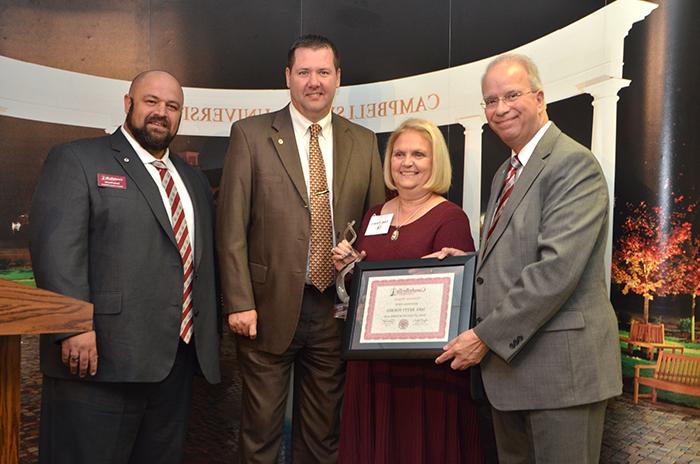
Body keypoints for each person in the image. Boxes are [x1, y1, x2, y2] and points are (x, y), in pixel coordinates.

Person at [433, 54, 622, 463]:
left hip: (561, 376)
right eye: (490, 100)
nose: (500, 109)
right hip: (512, 374)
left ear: (539, 98)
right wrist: (468, 262)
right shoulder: (507, 171)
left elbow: (555, 271)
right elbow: (515, 252)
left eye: (512, 95)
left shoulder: (573, 164)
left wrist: (483, 338)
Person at [30, 70, 221, 464]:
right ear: (127, 103)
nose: (161, 113)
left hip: (175, 365)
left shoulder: (193, 181)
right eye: (151, 101)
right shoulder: (78, 159)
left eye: (172, 106)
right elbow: (57, 249)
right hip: (99, 362)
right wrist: (74, 325)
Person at [216, 34, 385, 463]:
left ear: (338, 78)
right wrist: (238, 301)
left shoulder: (364, 142)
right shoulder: (250, 135)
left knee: (323, 438)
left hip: (336, 312)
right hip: (265, 310)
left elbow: (375, 226)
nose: (315, 82)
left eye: (324, 72)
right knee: (260, 438)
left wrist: (359, 260)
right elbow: (231, 224)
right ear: (288, 77)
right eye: (305, 72)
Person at [331, 118, 483, 464]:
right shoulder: (372, 216)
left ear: (436, 162)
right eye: (399, 154)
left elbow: (461, 300)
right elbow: (364, 290)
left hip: (423, 374)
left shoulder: (451, 218)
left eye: (419, 154)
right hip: (371, 368)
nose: (407, 162)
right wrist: (349, 267)